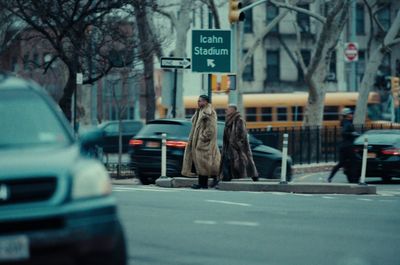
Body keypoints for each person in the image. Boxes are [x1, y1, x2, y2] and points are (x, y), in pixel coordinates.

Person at [181, 95, 221, 189]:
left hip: (204, 143)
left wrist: (202, 139)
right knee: (203, 164)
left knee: (204, 163)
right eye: (198, 101)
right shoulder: (199, 111)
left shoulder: (209, 112)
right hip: (198, 142)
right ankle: (209, 181)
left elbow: (211, 129)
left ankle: (203, 183)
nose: (198, 102)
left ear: (206, 102)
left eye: (200, 101)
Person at [219, 104, 258, 182]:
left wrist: (237, 145)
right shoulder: (228, 120)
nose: (226, 111)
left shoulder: (239, 120)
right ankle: (226, 177)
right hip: (229, 147)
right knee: (229, 162)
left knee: (245, 162)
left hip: (238, 147)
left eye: (228, 109)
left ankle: (254, 176)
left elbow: (242, 135)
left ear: (233, 110)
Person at [327, 107, 358, 182]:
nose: (352, 115)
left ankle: (330, 177)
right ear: (347, 115)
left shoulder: (343, 122)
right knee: (354, 162)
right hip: (349, 146)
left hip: (343, 146)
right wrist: (352, 133)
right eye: (350, 114)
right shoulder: (347, 123)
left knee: (341, 163)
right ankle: (354, 178)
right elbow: (344, 132)